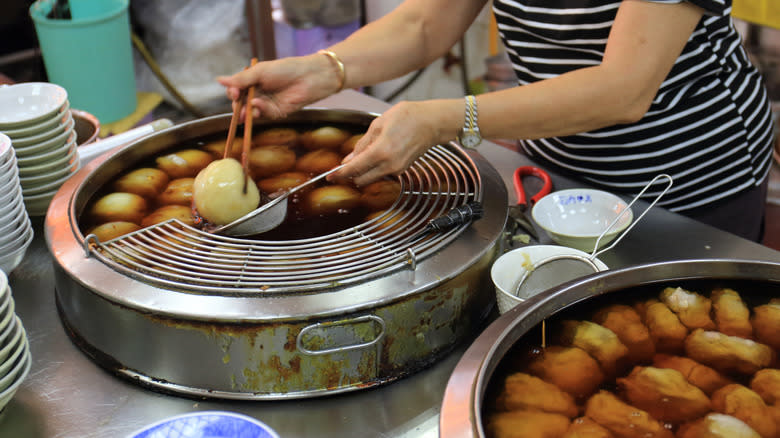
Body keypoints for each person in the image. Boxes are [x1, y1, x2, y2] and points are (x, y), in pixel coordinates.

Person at [218, 0, 775, 242]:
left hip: (688, 176)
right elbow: (425, 25)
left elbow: (624, 89)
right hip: (560, 160)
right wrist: (324, 69)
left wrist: (447, 119)